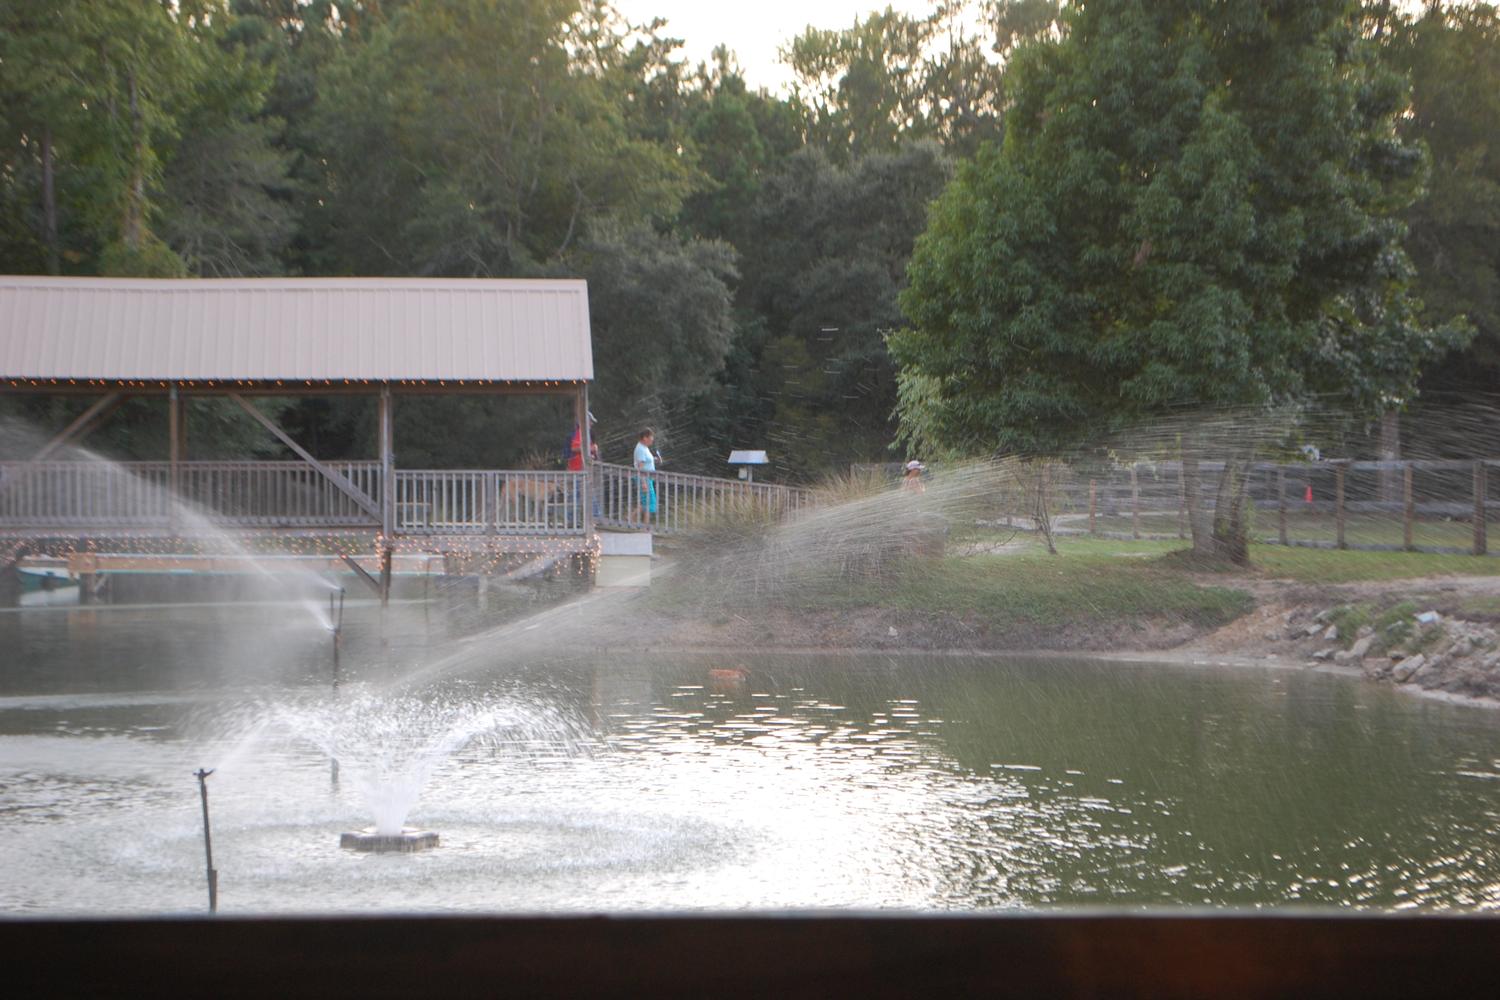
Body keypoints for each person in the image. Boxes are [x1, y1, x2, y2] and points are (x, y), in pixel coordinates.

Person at [632, 428, 659, 528]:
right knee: (649, 502)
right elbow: (640, 467)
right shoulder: (640, 449)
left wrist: (656, 459)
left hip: (647, 478)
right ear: (645, 438)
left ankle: (631, 518)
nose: (652, 440)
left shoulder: (644, 448)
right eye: (651, 438)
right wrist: (643, 482)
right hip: (644, 478)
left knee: (645, 502)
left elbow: (647, 461)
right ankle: (645, 526)